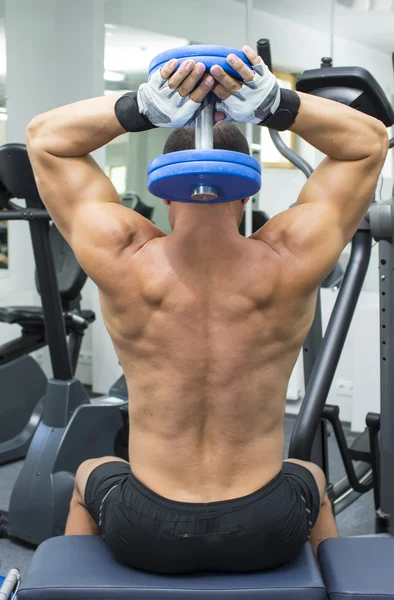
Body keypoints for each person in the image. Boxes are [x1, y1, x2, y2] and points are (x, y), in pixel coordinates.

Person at [26, 46, 388, 574]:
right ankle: (333, 583)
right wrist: (275, 104)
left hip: (145, 528)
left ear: (167, 191)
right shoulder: (290, 258)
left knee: (91, 474)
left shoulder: (124, 257)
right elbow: (370, 143)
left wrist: (141, 107)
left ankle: (69, 584)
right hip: (267, 526)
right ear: (243, 194)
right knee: (308, 476)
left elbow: (44, 139)